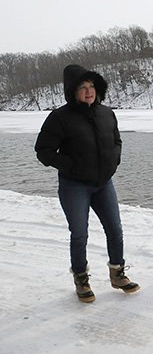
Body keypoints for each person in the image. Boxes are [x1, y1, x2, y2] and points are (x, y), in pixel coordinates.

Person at [35, 64, 139, 303]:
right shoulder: (59, 118)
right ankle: (81, 278)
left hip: (103, 183)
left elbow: (116, 140)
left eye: (91, 86)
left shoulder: (106, 113)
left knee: (115, 229)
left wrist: (114, 161)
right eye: (82, 87)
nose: (88, 91)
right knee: (80, 234)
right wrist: (71, 166)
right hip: (75, 186)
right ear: (72, 91)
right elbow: (43, 151)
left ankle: (117, 273)